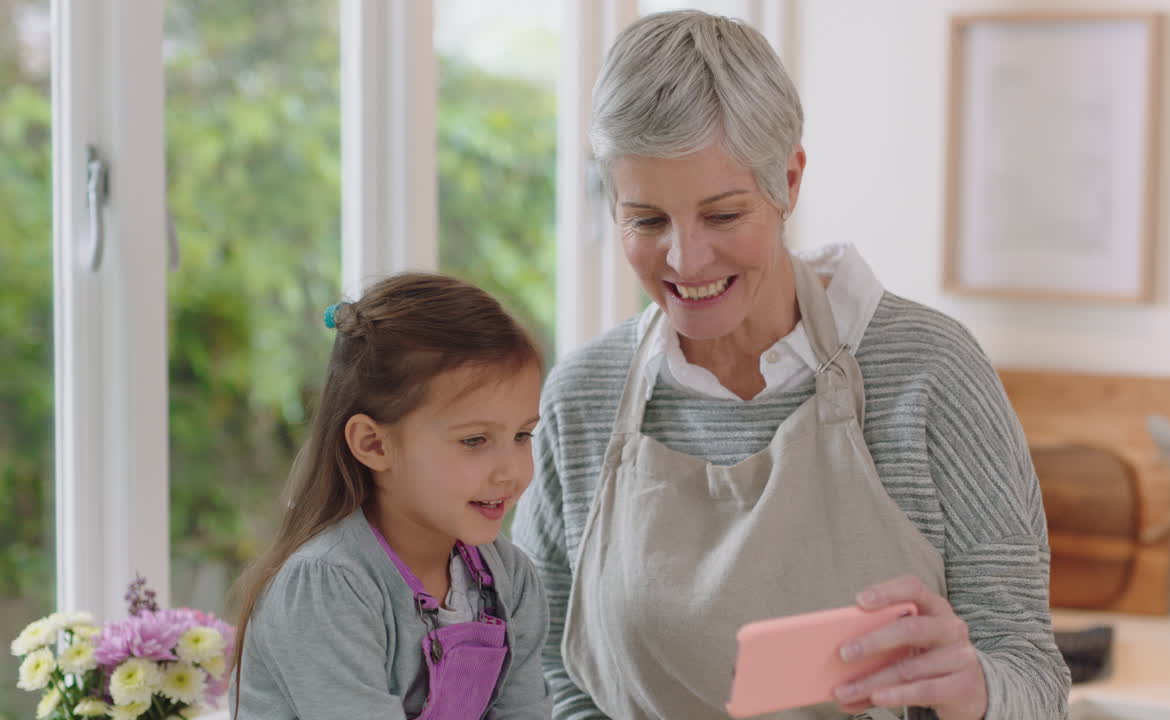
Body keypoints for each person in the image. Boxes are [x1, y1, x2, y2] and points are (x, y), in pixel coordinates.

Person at [512, 10, 1068, 720]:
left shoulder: (929, 372)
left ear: (790, 182)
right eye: (646, 220)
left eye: (722, 216)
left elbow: (1032, 675)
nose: (685, 260)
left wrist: (980, 691)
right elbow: (544, 675)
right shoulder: (582, 399)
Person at [229, 273, 552, 719]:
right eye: (475, 440)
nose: (512, 470)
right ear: (374, 444)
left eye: (522, 435)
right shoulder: (327, 586)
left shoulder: (509, 577)